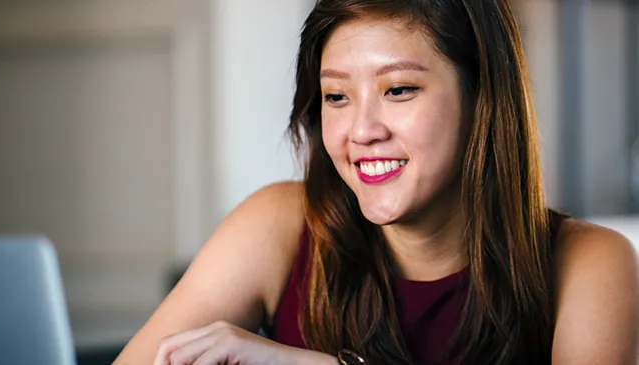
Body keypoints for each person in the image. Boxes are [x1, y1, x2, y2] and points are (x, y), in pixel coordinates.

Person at [113, 0, 639, 364]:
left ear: (484, 101)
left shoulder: (587, 263)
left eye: (399, 90)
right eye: (337, 97)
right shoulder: (277, 223)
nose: (361, 131)